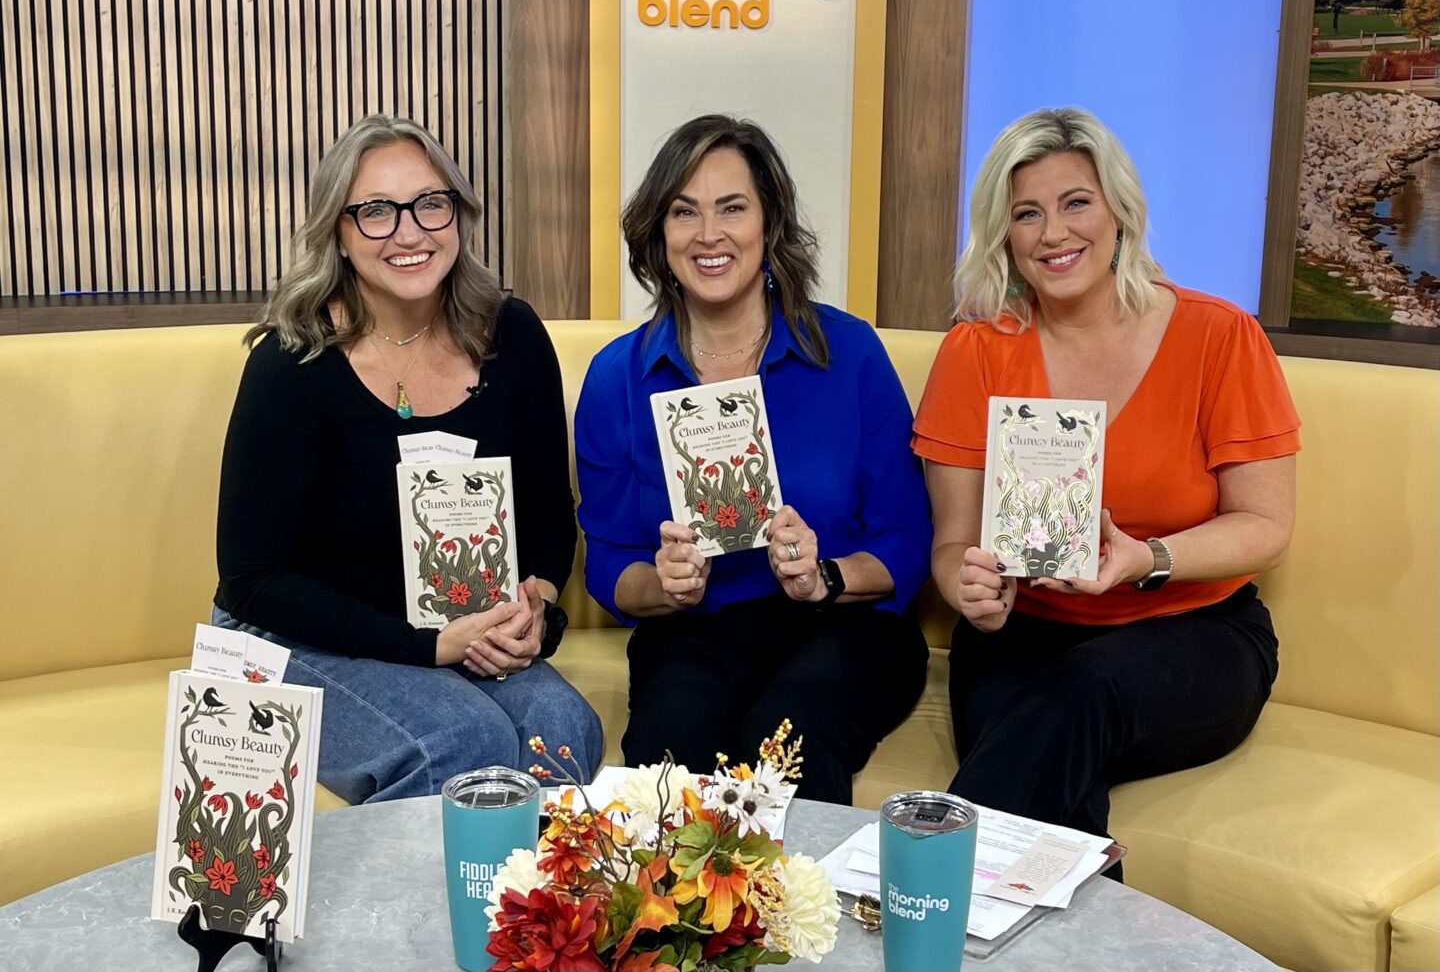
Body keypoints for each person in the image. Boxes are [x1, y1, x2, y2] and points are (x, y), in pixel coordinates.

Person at [913, 107, 1298, 856]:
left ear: (1119, 211)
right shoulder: (976, 350)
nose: (1053, 233)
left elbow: (1267, 527)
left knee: (1072, 698)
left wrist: (1144, 558)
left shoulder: (1220, 336)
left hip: (1194, 632)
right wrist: (970, 589)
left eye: (1076, 203)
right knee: (1059, 779)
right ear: (1004, 235)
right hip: (1018, 635)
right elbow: (953, 543)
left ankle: (914, 876)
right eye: (1027, 213)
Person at [213, 114, 601, 803]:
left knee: (563, 730)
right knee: (463, 740)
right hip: (292, 635)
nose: (410, 232)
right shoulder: (291, 362)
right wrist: (430, 647)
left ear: (459, 213)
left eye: (429, 203)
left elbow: (546, 513)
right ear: (337, 231)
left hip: (459, 625)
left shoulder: (512, 336)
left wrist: (535, 607)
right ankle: (432, 884)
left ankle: (526, 883)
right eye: (375, 212)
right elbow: (254, 581)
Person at [574, 114, 931, 804]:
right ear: (659, 235)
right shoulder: (617, 378)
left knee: (786, 739)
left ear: (770, 225)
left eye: (732, 208)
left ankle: (800, 885)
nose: (709, 233)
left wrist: (824, 576)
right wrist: (666, 584)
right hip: (694, 631)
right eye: (685, 212)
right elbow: (610, 564)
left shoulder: (849, 353)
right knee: (671, 748)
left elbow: (907, 538)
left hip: (844, 625)